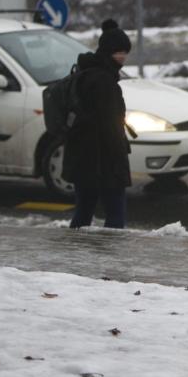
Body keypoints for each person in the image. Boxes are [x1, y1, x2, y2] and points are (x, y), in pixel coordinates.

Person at [63, 19, 132, 229]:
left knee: (84, 211)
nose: (122, 57)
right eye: (118, 52)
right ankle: (109, 256)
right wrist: (119, 156)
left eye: (125, 52)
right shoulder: (103, 81)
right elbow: (109, 123)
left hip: (84, 156)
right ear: (107, 51)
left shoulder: (87, 72)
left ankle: (76, 251)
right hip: (103, 159)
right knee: (115, 214)